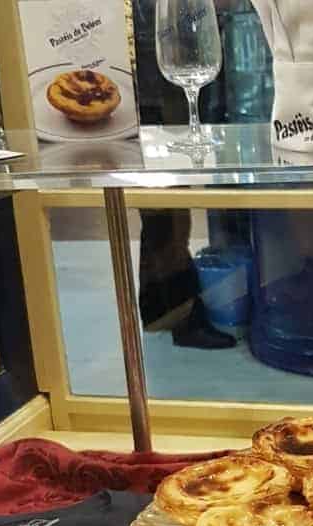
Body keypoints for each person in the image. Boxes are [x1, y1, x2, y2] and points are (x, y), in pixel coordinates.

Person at [131, 0, 237, 349]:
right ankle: (182, 316)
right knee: (168, 205)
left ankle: (159, 309)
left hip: (153, 60)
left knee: (162, 203)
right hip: (159, 66)